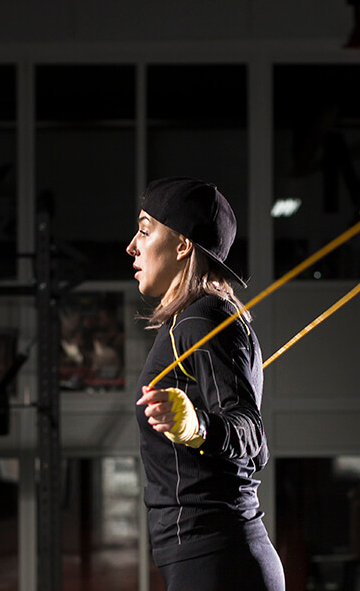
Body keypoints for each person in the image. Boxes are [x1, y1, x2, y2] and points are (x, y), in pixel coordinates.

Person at [127, 177, 285, 591]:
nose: (132, 246)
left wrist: (195, 426)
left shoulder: (203, 318)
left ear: (182, 245)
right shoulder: (196, 319)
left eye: (145, 230)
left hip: (218, 562)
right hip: (213, 560)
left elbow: (251, 434)